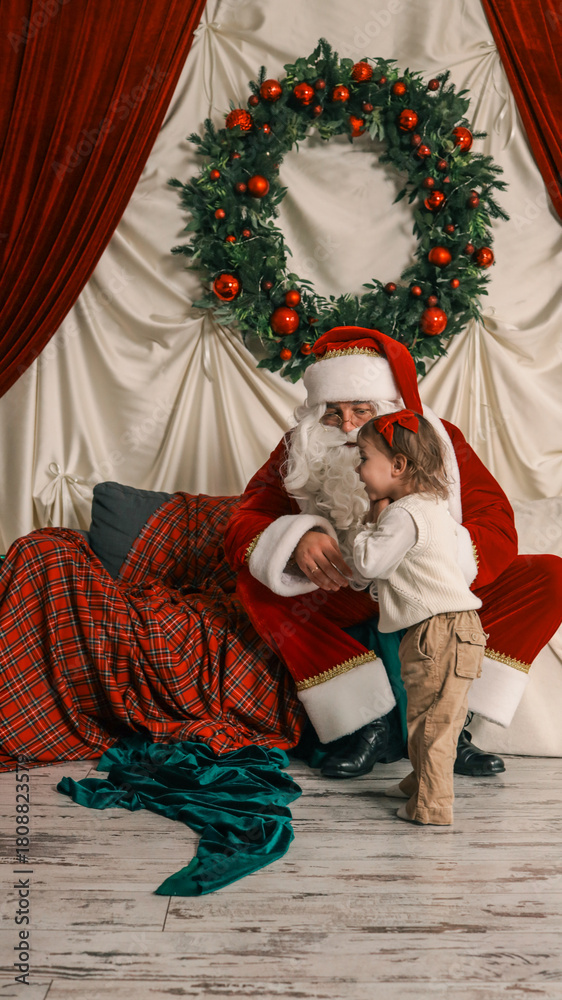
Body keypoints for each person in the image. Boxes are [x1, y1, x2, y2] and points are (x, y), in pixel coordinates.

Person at [224, 325, 562, 779]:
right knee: (256, 579)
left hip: (431, 590)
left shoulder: (439, 441)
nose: (346, 426)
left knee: (551, 576)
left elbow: (497, 522)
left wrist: (438, 563)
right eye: (331, 412)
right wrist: (297, 538)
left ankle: (454, 722)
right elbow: (244, 522)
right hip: (346, 586)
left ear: (388, 410)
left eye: (360, 410)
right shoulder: (296, 452)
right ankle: (365, 723)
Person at [351, 409, 487, 825]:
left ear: (397, 465)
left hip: (439, 631)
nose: (357, 469)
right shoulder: (433, 507)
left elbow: (370, 564)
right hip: (450, 628)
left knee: (434, 721)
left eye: (363, 457)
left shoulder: (402, 514)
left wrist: (363, 527)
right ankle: (420, 779)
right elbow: (438, 570)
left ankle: (431, 805)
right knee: (428, 714)